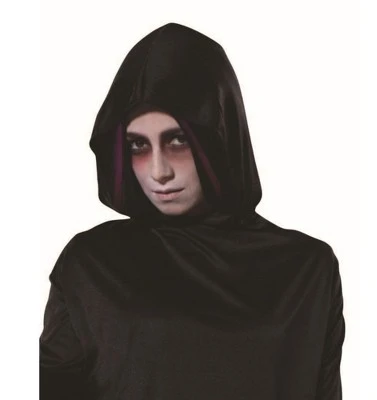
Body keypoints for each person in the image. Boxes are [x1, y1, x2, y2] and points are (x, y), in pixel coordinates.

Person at [39, 22, 346, 399]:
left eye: (178, 141)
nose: (158, 171)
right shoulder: (92, 266)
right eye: (138, 146)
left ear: (221, 135)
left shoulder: (307, 270)